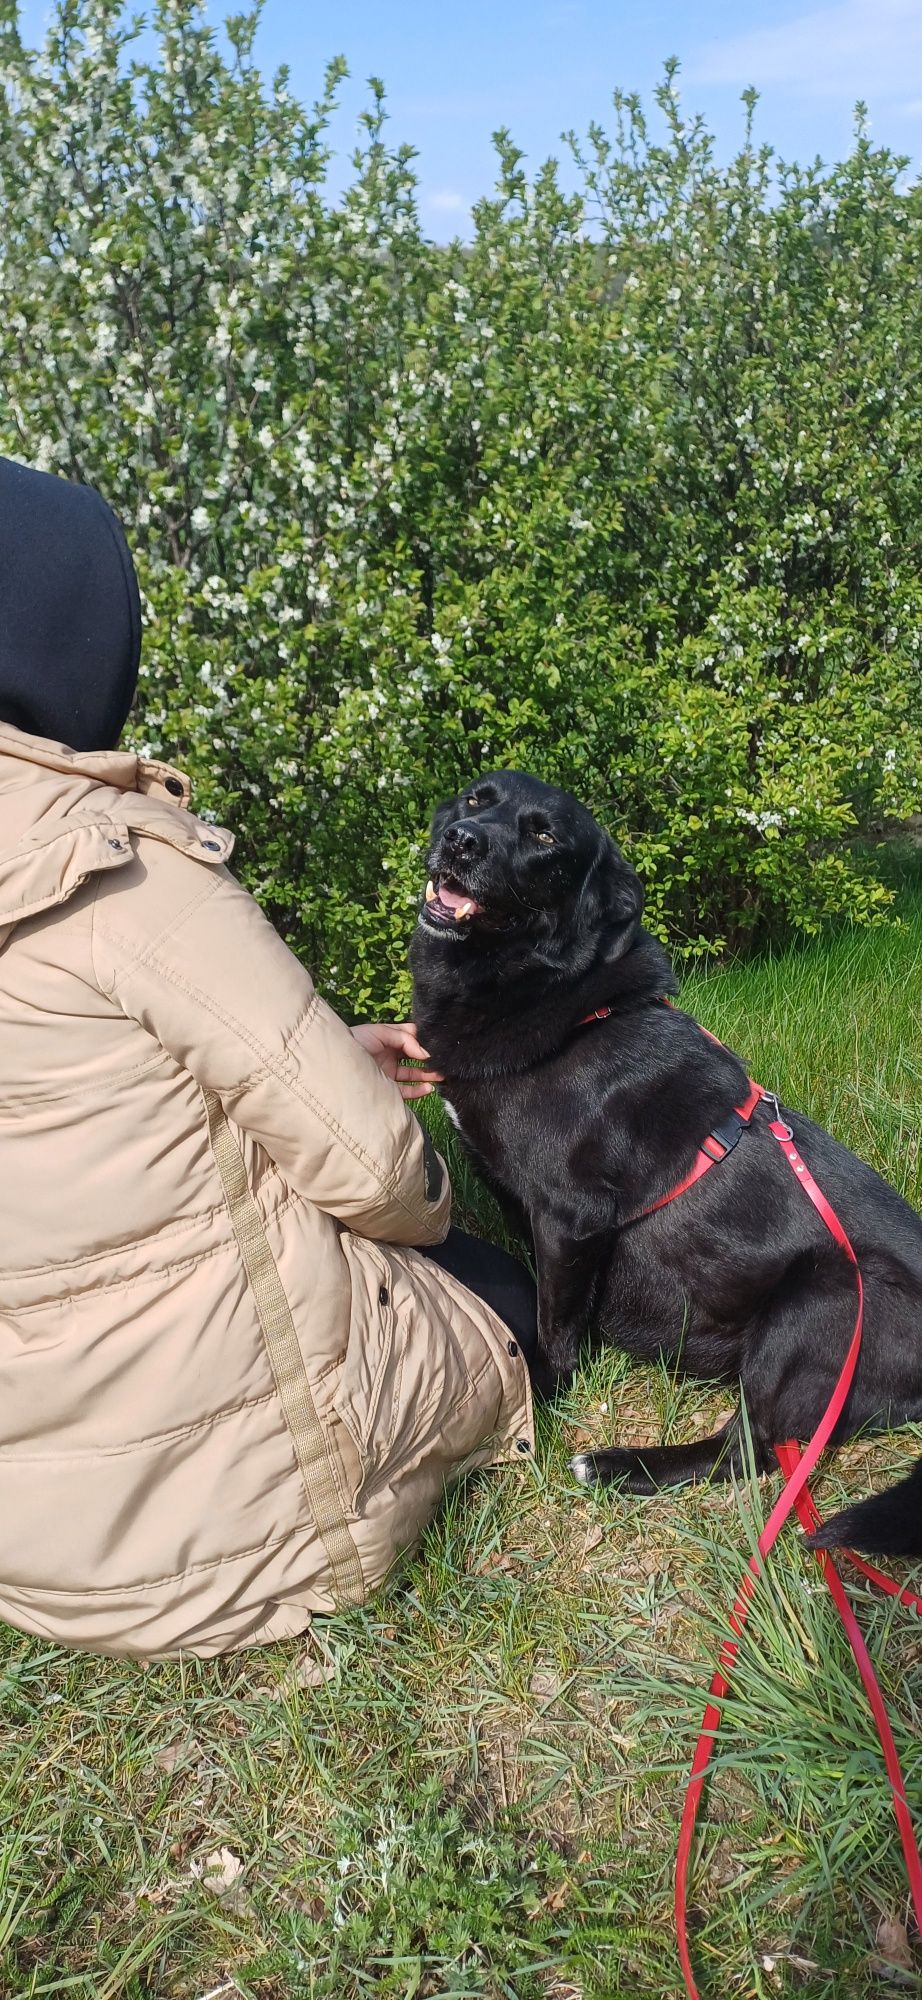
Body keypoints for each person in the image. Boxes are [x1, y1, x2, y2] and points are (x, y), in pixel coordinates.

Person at [0, 455, 536, 1658]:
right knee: (510, 1295)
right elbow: (376, 1173)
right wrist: (442, 1189)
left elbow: (72, 1115)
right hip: (231, 1540)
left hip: (36, 1546)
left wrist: (322, 1046)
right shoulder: (118, 870)